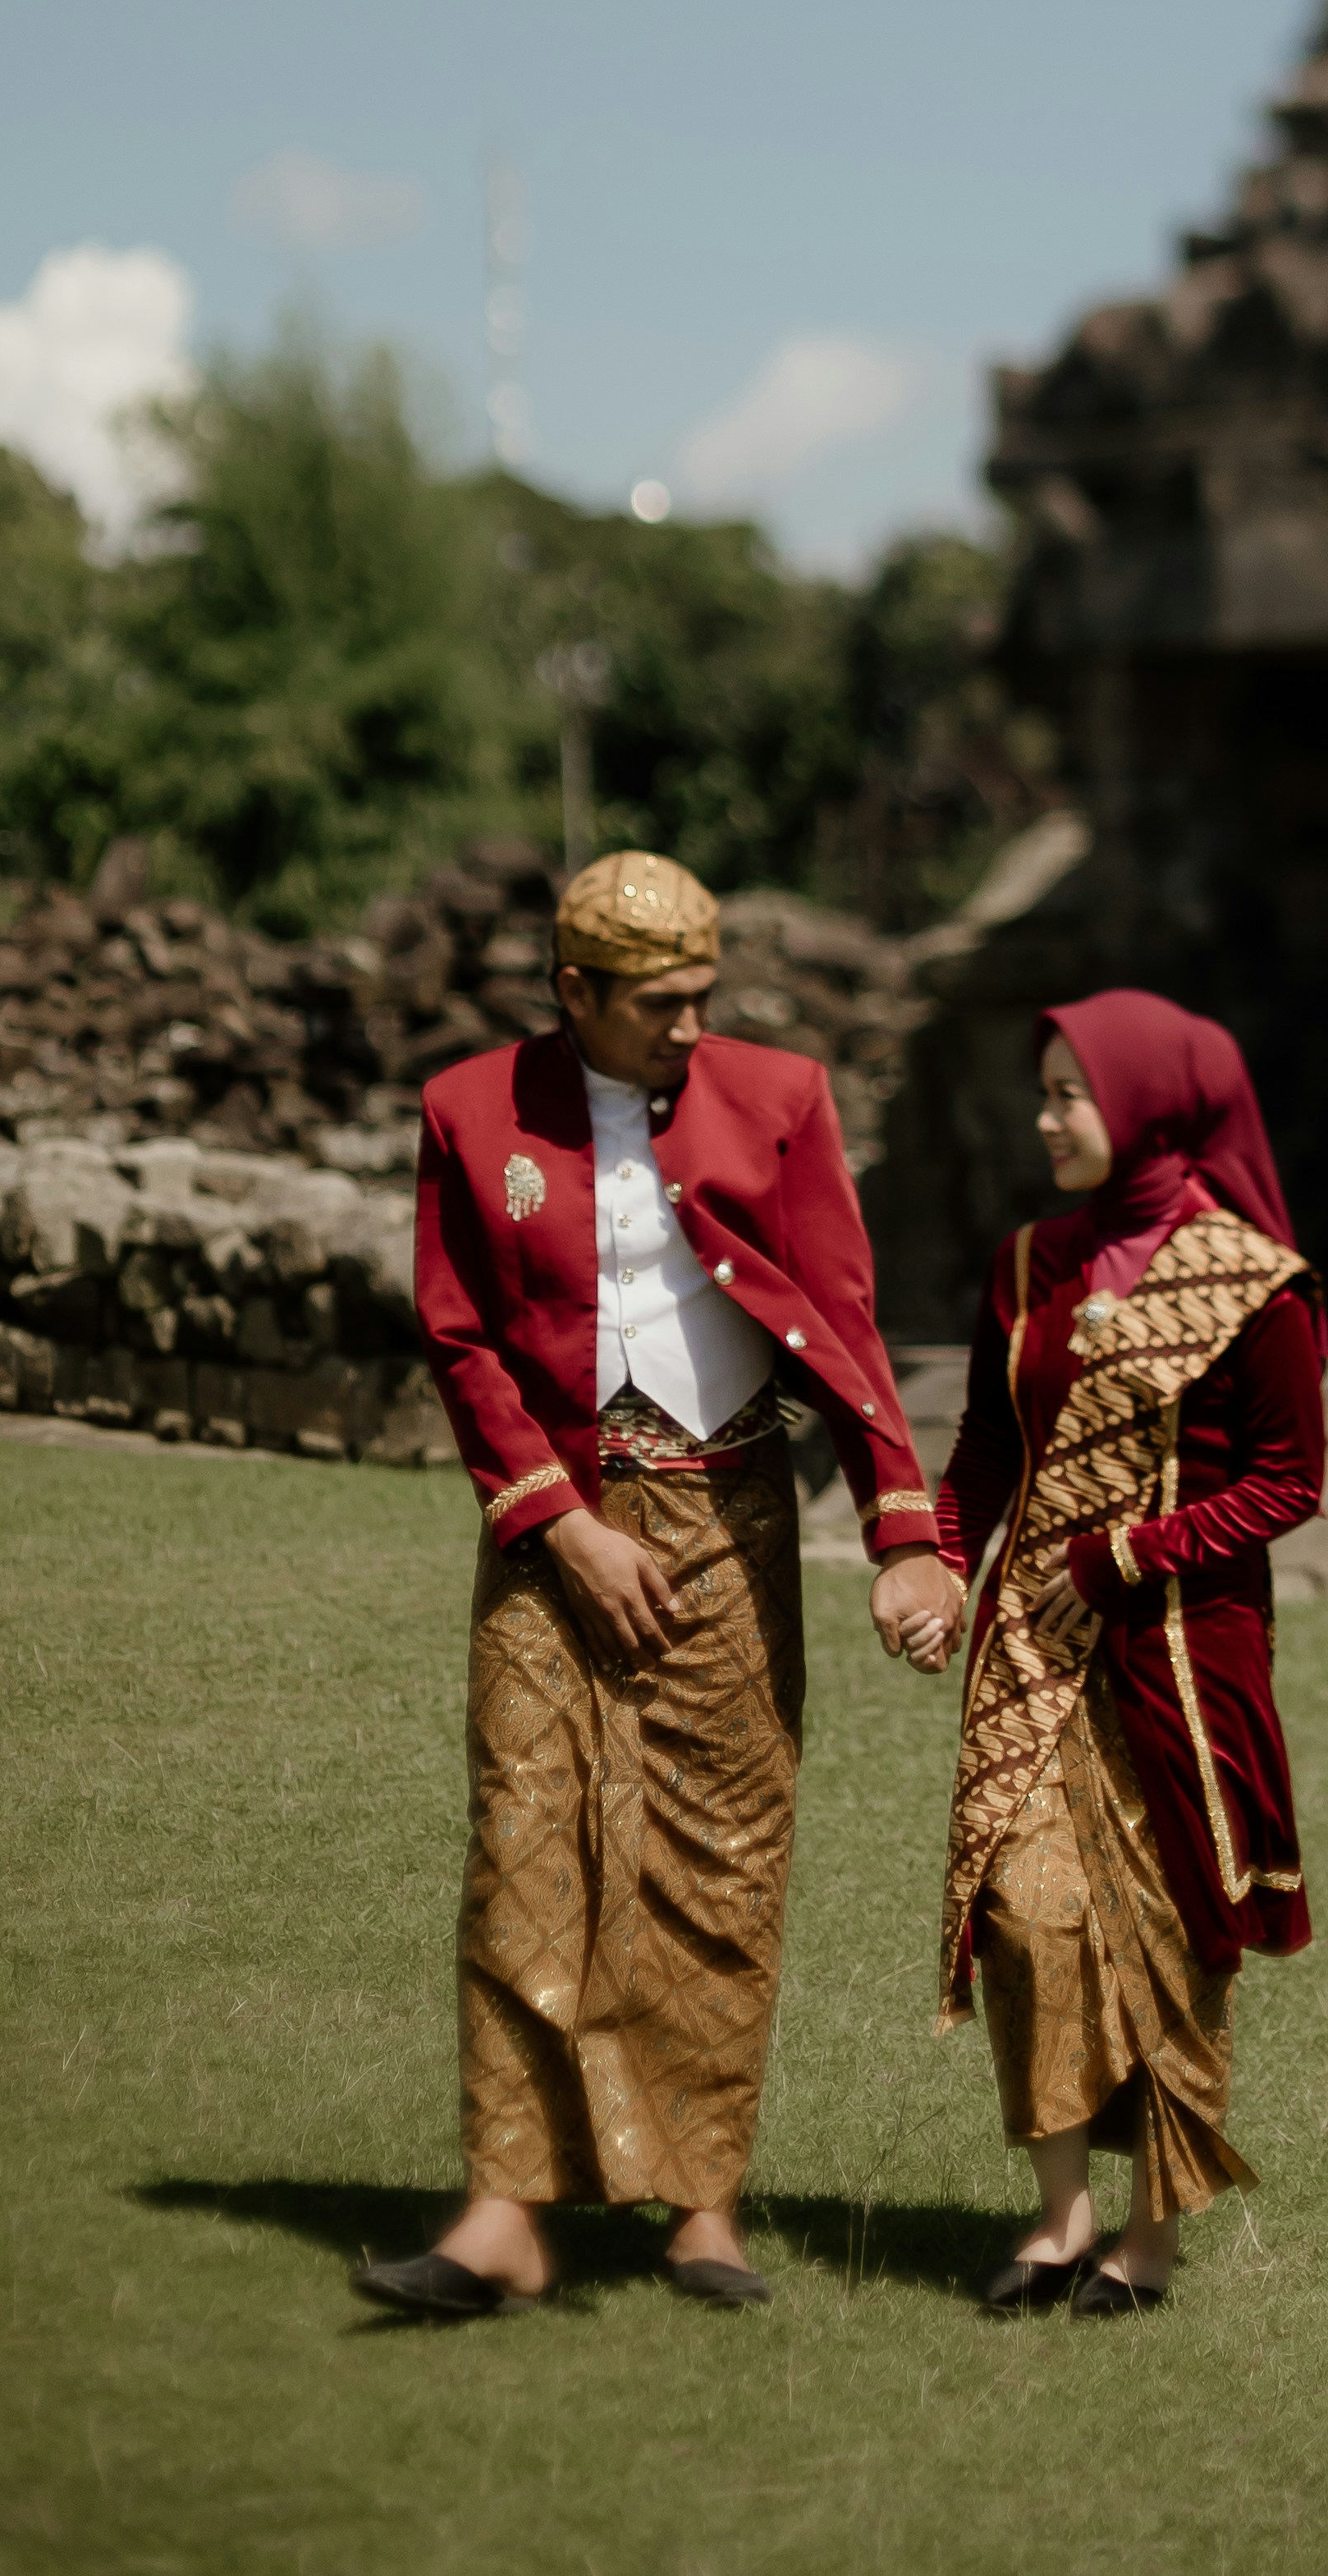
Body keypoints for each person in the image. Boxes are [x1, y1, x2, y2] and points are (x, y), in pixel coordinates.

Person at [353, 849, 966, 2321]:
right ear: (574, 991)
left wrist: (903, 1532)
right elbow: (459, 1336)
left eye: (704, 995)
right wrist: (563, 1527)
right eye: (658, 1004)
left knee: (718, 1854)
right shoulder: (469, 1109)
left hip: (732, 1515)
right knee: (525, 1841)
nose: (692, 1027)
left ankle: (703, 2206)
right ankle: (504, 2211)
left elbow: (841, 1310)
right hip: (554, 1530)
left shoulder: (781, 1095)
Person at [929, 988, 1326, 2318]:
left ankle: (1149, 2239)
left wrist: (1123, 1557)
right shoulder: (1027, 1265)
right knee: (1023, 1916)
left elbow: (1288, 1482)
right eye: (1042, 1094)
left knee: (1169, 1939)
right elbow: (990, 1445)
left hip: (1181, 1657)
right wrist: (938, 1561)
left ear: (1150, 1103)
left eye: (1069, 1096)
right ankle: (1059, 2220)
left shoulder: (1250, 1283)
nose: (1045, 1121)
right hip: (1031, 1656)